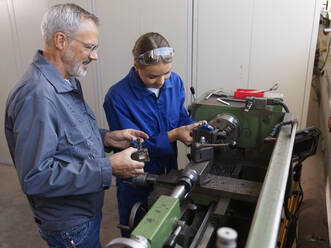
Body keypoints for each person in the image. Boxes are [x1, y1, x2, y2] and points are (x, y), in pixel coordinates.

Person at [4, 4, 148, 248]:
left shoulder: (66, 80)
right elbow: (35, 177)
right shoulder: (37, 96)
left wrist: (107, 138)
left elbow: (63, 139)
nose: (95, 56)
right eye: (89, 47)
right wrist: (107, 168)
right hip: (69, 224)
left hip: (85, 209)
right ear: (61, 40)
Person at [103, 32, 202, 237]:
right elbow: (134, 153)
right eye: (152, 76)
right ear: (136, 65)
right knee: (138, 235)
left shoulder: (175, 82)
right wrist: (172, 136)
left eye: (166, 73)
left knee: (168, 232)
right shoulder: (117, 97)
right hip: (136, 180)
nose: (162, 82)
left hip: (169, 173)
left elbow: (181, 117)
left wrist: (194, 127)